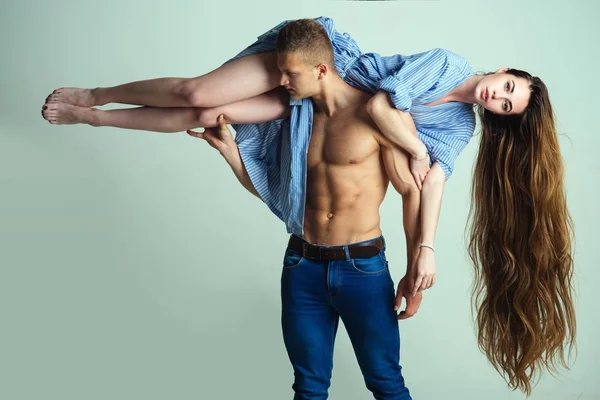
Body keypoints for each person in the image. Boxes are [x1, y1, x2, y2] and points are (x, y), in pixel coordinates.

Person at [41, 17, 576, 395]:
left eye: (507, 105)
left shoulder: (456, 126)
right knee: (197, 94)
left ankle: (94, 118)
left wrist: (424, 256)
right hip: (324, 67)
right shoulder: (446, 65)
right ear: (503, 70)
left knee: (212, 118)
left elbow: (425, 184)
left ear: (502, 118)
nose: (497, 98)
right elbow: (386, 106)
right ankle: (96, 96)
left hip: (343, 187)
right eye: (507, 86)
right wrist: (412, 146)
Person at [188, 19, 423, 399]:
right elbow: (281, 197)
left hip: (362, 267)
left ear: (321, 70)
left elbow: (411, 191)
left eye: (290, 72)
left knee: (385, 381)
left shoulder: (376, 116)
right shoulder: (296, 121)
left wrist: (415, 268)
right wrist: (231, 153)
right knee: (308, 387)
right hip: (302, 266)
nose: (282, 80)